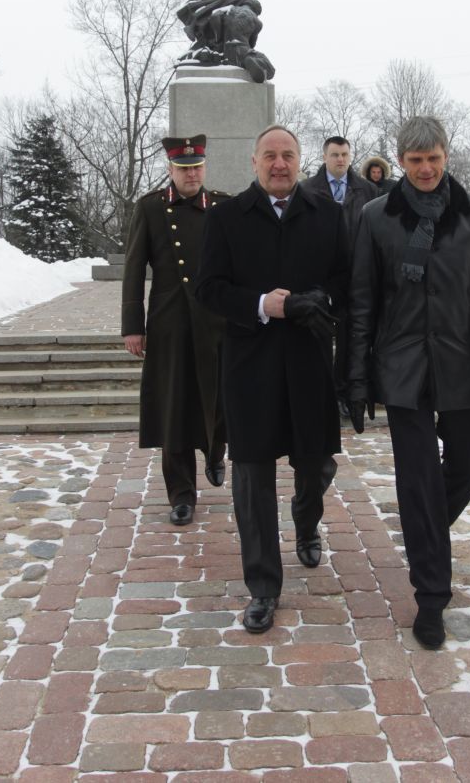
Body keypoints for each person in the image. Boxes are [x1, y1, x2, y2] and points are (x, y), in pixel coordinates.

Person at [347, 116, 470, 650]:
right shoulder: (377, 217)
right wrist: (356, 377)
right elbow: (362, 303)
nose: (425, 169)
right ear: (401, 160)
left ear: (446, 155)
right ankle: (431, 597)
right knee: (418, 479)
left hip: (460, 364)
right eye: (415, 160)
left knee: (466, 462)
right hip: (402, 369)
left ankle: (425, 534)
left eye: (433, 158)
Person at [197, 125, 350, 634]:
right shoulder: (225, 218)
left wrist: (321, 300)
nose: (279, 164)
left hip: (309, 363)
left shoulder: (327, 214)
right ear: (254, 162)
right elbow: (209, 289)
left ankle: (306, 520)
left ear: (300, 160)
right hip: (250, 367)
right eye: (270, 155)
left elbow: (345, 280)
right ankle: (263, 586)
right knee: (252, 479)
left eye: (287, 155)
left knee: (318, 464)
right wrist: (263, 304)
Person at [122, 135, 229, 526]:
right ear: (170, 169)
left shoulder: (223, 206)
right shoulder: (151, 208)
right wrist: (132, 326)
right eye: (184, 168)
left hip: (217, 319)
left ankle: (215, 449)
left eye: (197, 167)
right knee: (174, 407)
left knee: (219, 396)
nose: (191, 174)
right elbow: (134, 269)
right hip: (170, 322)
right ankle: (181, 494)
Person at [306, 137, 378, 416]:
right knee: (320, 333)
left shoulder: (367, 190)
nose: (340, 159)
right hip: (321, 274)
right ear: (324, 157)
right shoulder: (307, 189)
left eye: (345, 154)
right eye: (335, 154)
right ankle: (325, 392)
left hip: (358, 272)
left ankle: (347, 391)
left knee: (352, 334)